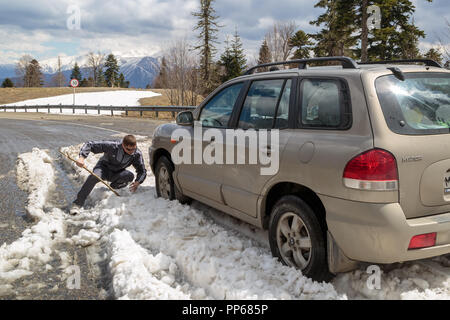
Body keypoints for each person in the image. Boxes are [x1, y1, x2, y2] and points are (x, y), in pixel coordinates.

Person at [69, 135, 147, 215]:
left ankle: (113, 188)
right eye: (128, 149)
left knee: (129, 176)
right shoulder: (113, 145)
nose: (131, 152)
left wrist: (138, 182)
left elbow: (142, 170)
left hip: (118, 173)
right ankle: (77, 203)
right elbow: (90, 144)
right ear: (123, 145)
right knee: (93, 177)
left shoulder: (137, 154)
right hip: (103, 169)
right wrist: (81, 158)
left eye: (133, 149)